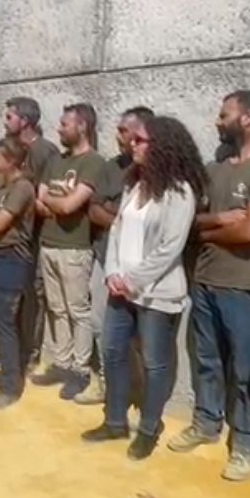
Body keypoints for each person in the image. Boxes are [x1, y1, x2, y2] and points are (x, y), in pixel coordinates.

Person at [169, 90, 250, 485]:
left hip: (245, 287)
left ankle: (245, 442)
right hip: (205, 280)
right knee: (207, 359)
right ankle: (206, 422)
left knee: (244, 369)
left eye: (224, 115)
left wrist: (208, 229)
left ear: (248, 118)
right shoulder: (214, 169)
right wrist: (220, 220)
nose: (217, 122)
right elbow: (190, 222)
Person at [81, 115, 207, 459]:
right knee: (112, 351)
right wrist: (113, 272)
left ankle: (149, 429)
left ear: (161, 146)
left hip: (156, 293)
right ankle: (115, 421)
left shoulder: (180, 192)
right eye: (132, 139)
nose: (131, 144)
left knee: (154, 362)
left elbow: (170, 247)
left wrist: (132, 280)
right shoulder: (134, 185)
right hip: (121, 289)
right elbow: (117, 230)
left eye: (139, 140)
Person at [32, 103, 111, 400]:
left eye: (65, 124)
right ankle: (61, 363)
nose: (59, 129)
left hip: (75, 248)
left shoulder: (94, 163)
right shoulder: (56, 161)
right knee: (56, 308)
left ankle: (80, 370)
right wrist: (58, 203)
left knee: (79, 311)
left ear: (82, 126)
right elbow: (39, 199)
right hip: (49, 244)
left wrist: (56, 203)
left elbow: (69, 205)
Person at [79, 107, 152, 405]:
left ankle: (142, 399)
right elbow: (94, 209)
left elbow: (150, 222)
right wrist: (122, 221)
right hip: (105, 258)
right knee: (99, 325)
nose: (118, 136)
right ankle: (106, 386)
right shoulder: (111, 168)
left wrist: (116, 214)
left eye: (123, 130)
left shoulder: (156, 171)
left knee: (140, 338)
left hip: (142, 266)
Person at [4, 97, 58, 380]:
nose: (5, 122)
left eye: (9, 117)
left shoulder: (43, 151)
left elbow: (48, 197)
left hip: (38, 239)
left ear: (24, 121)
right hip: (18, 239)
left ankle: (30, 354)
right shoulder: (18, 150)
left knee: (33, 298)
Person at [0, 138, 37, 411]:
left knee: (6, 324)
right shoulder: (6, 187)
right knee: (2, 322)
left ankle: (9, 387)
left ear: (12, 161)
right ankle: (9, 370)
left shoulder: (22, 187)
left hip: (11, 260)